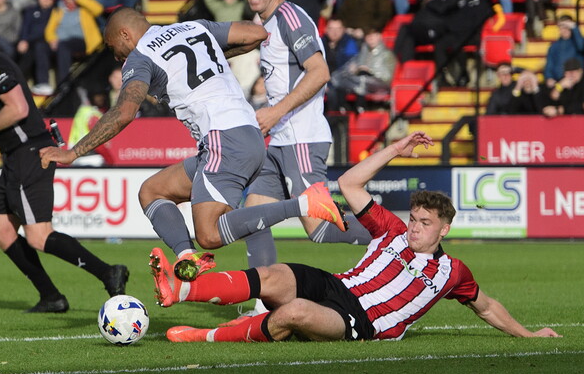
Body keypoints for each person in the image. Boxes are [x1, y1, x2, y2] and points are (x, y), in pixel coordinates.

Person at [152, 128, 561, 343]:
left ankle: (205, 336)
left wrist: (528, 334)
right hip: (337, 285)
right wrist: (394, 149)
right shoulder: (392, 230)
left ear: (445, 229)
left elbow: (486, 307)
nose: (415, 228)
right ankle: (182, 291)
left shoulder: (452, 273)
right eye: (414, 219)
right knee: (275, 274)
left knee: (293, 314)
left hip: (362, 321)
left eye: (425, 224)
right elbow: (348, 184)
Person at [38, 8, 348, 282]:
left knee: (210, 234)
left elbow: (124, 111)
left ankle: (305, 204)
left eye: (113, 48)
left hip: (222, 138)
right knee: (152, 191)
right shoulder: (194, 27)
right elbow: (257, 33)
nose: (117, 56)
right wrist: (214, 54)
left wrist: (74, 151)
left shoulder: (140, 56)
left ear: (125, 34)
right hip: (247, 133)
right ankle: (187, 258)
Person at [0, 13, 128, 312]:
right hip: (15, 155)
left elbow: (18, 109)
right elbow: (3, 121)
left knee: (39, 236)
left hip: (31, 153)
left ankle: (107, 272)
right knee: (1, 232)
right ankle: (51, 297)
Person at [239, 0, 376, 315]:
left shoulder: (291, 18)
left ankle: (391, 235)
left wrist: (274, 111)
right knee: (254, 217)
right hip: (279, 140)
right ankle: (264, 303)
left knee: (319, 229)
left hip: (300, 138)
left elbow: (320, 72)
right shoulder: (264, 23)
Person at [434, 0, 494, 87]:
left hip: (477, 34)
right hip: (458, 34)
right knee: (440, 44)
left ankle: (463, 74)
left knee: (458, 41)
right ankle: (442, 78)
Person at [43, 0, 105, 87]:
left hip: (81, 41)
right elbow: (49, 29)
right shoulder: (59, 8)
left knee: (63, 46)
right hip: (60, 41)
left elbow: (99, 10)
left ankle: (64, 83)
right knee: (40, 47)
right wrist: (52, 39)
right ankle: (43, 83)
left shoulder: (85, 7)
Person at [391, 0, 459, 64]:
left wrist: (429, 2)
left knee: (407, 28)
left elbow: (442, 8)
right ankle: (405, 67)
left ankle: (391, 58)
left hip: (437, 32)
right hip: (421, 30)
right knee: (408, 39)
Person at [327, 28, 397, 112]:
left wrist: (370, 71)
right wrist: (354, 69)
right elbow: (351, 66)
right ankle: (341, 110)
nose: (370, 38)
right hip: (359, 81)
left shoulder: (387, 54)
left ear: (379, 36)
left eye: (373, 35)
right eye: (368, 36)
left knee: (362, 80)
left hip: (378, 84)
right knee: (338, 77)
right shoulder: (363, 52)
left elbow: (388, 77)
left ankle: (359, 108)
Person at [16, 0, 58, 94]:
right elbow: (25, 27)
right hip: (31, 43)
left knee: (39, 48)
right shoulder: (31, 11)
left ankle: (43, 83)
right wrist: (23, 40)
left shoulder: (55, 11)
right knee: (26, 55)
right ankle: (18, 85)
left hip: (47, 43)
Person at [544, 14, 584, 88]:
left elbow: (582, 47)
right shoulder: (554, 46)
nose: (564, 30)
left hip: (576, 83)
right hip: (558, 81)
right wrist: (549, 77)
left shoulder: (577, 43)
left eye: (567, 27)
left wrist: (574, 27)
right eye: (562, 27)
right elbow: (549, 64)